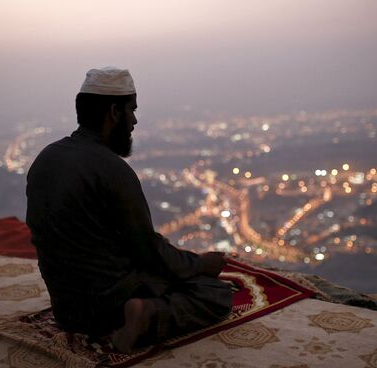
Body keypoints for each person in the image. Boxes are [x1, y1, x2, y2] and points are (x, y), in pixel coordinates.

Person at [25, 67, 233, 353]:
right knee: (215, 292)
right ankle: (147, 316)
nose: (134, 121)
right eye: (131, 110)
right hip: (108, 307)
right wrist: (201, 264)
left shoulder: (46, 158)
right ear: (114, 112)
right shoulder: (112, 169)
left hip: (65, 308)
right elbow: (148, 250)